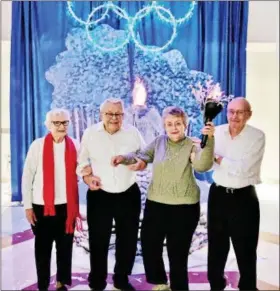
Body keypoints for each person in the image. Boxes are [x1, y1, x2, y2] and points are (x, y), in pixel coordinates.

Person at [111, 106, 215, 291]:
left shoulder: (193, 145)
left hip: (184, 207)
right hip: (156, 204)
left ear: (185, 125)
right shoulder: (159, 142)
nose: (173, 128)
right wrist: (124, 158)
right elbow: (142, 155)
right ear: (164, 126)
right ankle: (160, 283)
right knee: (150, 245)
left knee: (178, 254)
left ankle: (179, 287)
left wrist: (210, 140)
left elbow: (203, 166)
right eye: (169, 124)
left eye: (177, 124)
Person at [77, 98, 146, 291]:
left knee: (128, 239)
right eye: (109, 113)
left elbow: (145, 156)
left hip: (128, 193)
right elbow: (81, 163)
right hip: (100, 195)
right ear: (102, 115)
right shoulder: (90, 134)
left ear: (123, 115)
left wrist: (140, 164)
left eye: (118, 114)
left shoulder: (133, 133)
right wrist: (88, 178)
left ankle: (121, 278)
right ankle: (97, 281)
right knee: (98, 240)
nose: (114, 118)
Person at [22, 108, 91, 291]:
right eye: (57, 123)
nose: (61, 126)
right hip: (42, 207)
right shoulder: (37, 145)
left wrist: (85, 171)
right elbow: (27, 176)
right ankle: (43, 284)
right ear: (48, 125)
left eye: (65, 123)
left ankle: (62, 282)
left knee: (65, 248)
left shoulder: (75, 145)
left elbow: (79, 169)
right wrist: (28, 206)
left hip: (66, 208)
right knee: (42, 250)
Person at [207, 97, 266, 290]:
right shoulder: (217, 132)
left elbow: (245, 169)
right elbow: (207, 164)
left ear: (249, 115)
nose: (235, 116)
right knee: (216, 247)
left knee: (246, 249)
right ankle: (216, 284)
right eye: (231, 111)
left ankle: (248, 286)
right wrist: (214, 156)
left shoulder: (257, 136)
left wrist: (218, 158)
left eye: (240, 112)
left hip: (244, 198)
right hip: (218, 196)